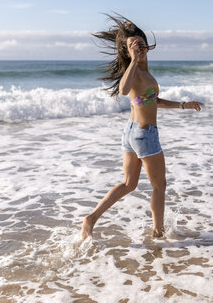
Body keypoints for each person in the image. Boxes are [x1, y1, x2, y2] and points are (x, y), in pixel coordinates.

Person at [81, 15, 202, 240]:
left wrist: (184, 105)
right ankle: (158, 233)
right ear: (126, 51)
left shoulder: (144, 70)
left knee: (129, 184)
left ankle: (91, 219)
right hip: (145, 134)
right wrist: (134, 60)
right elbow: (124, 90)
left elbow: (152, 101)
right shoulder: (135, 70)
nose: (138, 47)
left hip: (132, 132)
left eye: (140, 43)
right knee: (160, 185)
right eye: (132, 45)